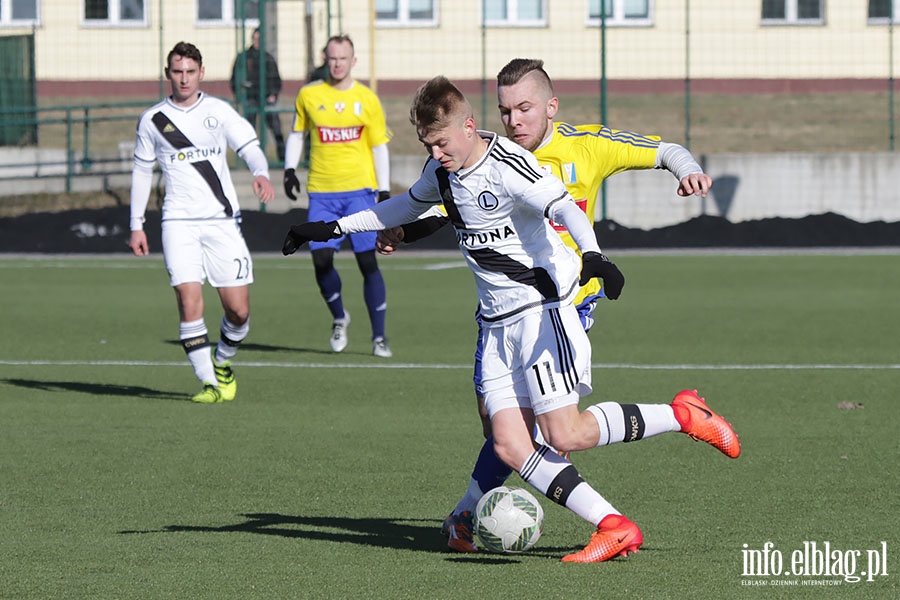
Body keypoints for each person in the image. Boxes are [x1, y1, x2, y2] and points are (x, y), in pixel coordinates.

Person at [282, 76, 739, 562]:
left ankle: (681, 415)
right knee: (507, 443)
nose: (436, 153)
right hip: (496, 324)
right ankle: (614, 525)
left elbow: (564, 204)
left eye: (441, 142)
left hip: (543, 313)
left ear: (468, 125)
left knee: (565, 434)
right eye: (427, 144)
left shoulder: (510, 165)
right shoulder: (442, 170)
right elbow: (406, 206)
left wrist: (594, 256)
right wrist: (328, 228)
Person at [129, 41, 275, 403]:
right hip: (177, 222)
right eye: (177, 72)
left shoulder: (218, 111)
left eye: (190, 72)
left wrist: (260, 172)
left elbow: (250, 146)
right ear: (168, 74)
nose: (183, 78)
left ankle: (223, 362)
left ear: (202, 73)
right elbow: (141, 172)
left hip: (222, 222)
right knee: (189, 300)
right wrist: (136, 223)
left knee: (238, 312)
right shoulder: (153, 120)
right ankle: (209, 382)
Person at [282, 34, 394, 358]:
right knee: (320, 261)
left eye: (343, 58)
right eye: (332, 58)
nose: (337, 64)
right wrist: (290, 169)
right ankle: (339, 317)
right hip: (322, 193)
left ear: (353, 61)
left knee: (367, 261)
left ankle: (379, 337)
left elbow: (379, 147)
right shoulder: (309, 94)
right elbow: (296, 133)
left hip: (359, 192)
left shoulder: (367, 99)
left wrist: (383, 191)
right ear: (324, 58)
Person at [230, 28, 286, 161]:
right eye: (255, 38)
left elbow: (276, 79)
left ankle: (283, 160)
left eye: (259, 39)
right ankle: (250, 160)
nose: (257, 42)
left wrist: (273, 94)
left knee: (276, 129)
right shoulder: (244, 57)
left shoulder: (267, 58)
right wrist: (239, 95)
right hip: (250, 99)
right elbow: (235, 78)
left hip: (266, 99)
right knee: (249, 132)